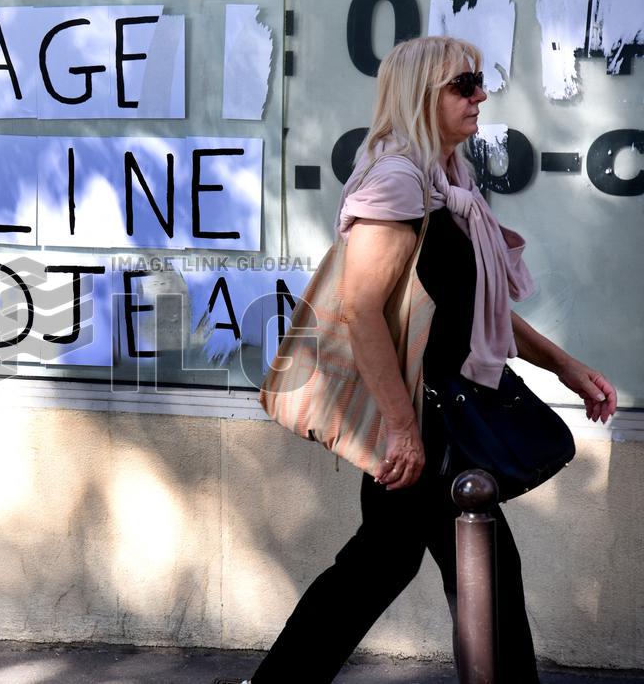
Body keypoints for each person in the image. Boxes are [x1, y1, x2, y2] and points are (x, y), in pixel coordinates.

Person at [244, 36, 617, 683]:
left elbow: (474, 306)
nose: (481, 94)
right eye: (464, 84)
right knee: (469, 570)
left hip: (440, 409)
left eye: (480, 82)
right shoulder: (398, 181)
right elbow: (362, 310)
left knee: (384, 563)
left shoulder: (447, 183)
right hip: (425, 414)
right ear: (423, 95)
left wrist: (565, 366)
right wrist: (401, 427)